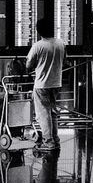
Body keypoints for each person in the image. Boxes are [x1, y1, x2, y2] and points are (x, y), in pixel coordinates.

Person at [25, 17, 65, 152]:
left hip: (42, 84)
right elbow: (65, 59)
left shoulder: (38, 46)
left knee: (43, 114)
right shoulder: (60, 43)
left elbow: (29, 65)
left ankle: (48, 142)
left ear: (38, 31)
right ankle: (55, 139)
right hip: (56, 83)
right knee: (52, 112)